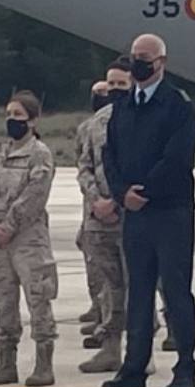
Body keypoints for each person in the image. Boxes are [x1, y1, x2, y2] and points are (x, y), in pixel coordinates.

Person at [102, 34, 195, 387]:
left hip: (170, 211)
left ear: (161, 62)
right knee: (138, 291)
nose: (139, 65)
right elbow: (109, 154)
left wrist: (144, 191)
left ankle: (186, 366)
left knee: (176, 291)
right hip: (136, 214)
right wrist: (120, 193)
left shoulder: (176, 105)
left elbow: (177, 157)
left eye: (145, 58)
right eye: (134, 58)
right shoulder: (124, 106)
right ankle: (134, 366)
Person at [0, 91, 60, 386]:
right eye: (9, 115)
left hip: (28, 239)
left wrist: (9, 225)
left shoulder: (40, 154)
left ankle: (43, 363)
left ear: (33, 121)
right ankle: (6, 362)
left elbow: (35, 195)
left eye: (18, 116)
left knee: (38, 298)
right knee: (3, 299)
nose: (12, 121)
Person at [79, 60, 134, 372]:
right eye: (110, 84)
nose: (114, 90)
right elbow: (83, 165)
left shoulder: (141, 121)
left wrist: (116, 201)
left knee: (135, 285)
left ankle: (142, 351)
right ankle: (111, 347)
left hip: (128, 216)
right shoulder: (94, 124)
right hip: (97, 218)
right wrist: (96, 200)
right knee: (107, 287)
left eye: (120, 85)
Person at [74, 79, 113, 336]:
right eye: (96, 93)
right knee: (96, 263)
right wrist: (94, 199)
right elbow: (83, 164)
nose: (99, 97)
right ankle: (100, 311)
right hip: (93, 205)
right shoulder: (87, 127)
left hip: (117, 205)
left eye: (104, 93)